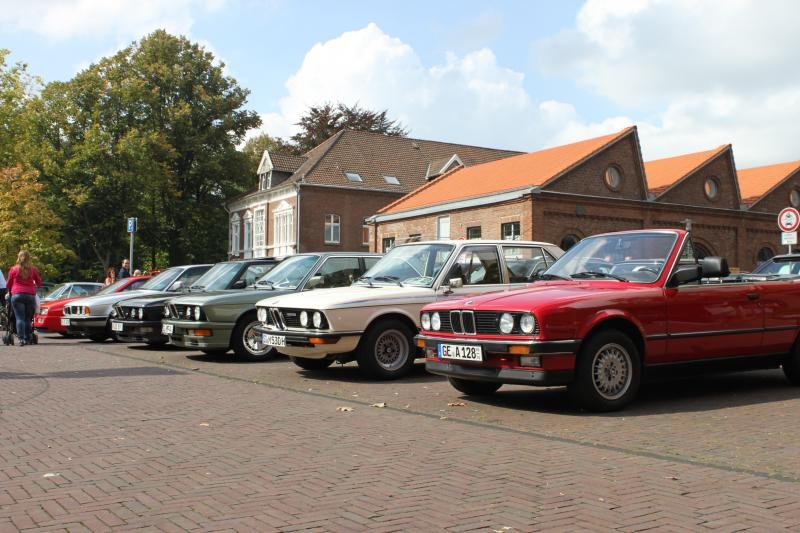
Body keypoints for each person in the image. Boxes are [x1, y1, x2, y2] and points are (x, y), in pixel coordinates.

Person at [6, 250, 41, 346]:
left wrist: (10, 289)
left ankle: (21, 339)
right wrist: (34, 286)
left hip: (17, 294)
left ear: (19, 257)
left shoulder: (14, 269)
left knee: (19, 318)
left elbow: (8, 284)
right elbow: (39, 283)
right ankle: (27, 337)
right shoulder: (33, 269)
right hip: (30, 295)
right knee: (27, 318)